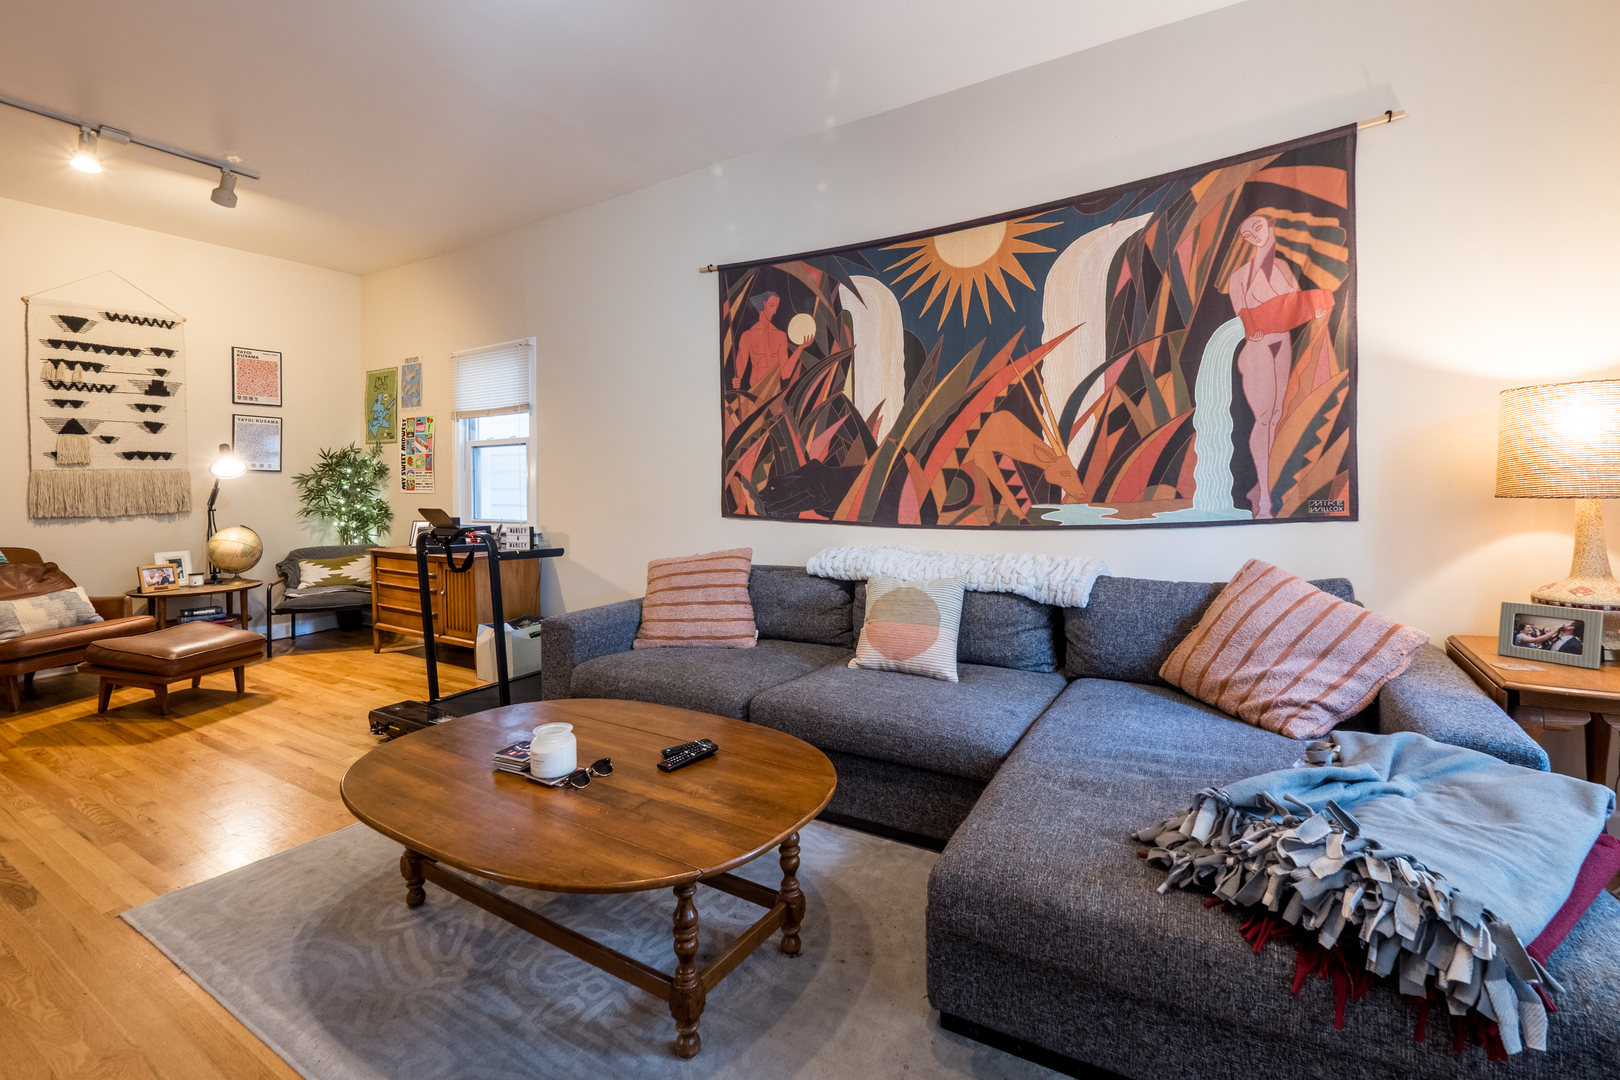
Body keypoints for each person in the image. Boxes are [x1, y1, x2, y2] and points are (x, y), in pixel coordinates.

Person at [1225, 215, 1334, 519]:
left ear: (1270, 225)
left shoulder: (1284, 268)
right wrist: (1252, 325)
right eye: (1247, 234)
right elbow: (1243, 316)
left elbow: (1297, 306)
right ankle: (1262, 504)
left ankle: (1263, 489)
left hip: (1281, 344)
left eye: (1257, 228)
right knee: (1263, 419)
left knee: (1276, 418)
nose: (1254, 236)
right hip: (1257, 349)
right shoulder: (1240, 277)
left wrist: (1318, 307)